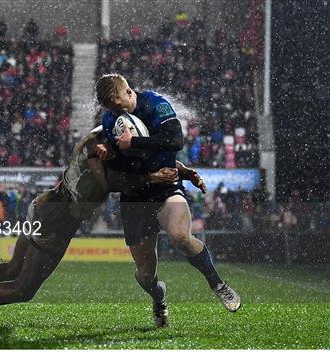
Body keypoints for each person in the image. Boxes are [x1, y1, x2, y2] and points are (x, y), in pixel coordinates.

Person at [0, 126, 206, 326]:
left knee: (11, 267)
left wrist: (180, 170)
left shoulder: (96, 136)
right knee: (23, 289)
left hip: (45, 204)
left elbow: (141, 158)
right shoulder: (102, 156)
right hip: (58, 222)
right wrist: (154, 179)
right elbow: (114, 183)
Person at [95, 73, 241, 320]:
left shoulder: (155, 104)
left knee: (181, 236)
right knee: (145, 274)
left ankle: (217, 283)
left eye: (119, 105)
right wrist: (109, 153)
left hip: (166, 189)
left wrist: (136, 143)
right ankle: (158, 296)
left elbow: (175, 141)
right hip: (134, 197)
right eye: (111, 109)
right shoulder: (109, 119)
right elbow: (119, 171)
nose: (116, 112)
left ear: (129, 93)